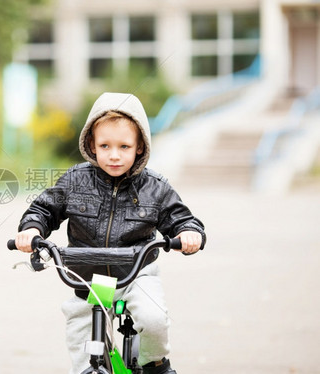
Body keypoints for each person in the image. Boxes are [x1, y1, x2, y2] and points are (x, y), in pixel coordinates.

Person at [13, 92, 206, 374]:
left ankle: (155, 363)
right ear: (91, 144)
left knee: (153, 319)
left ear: (140, 147)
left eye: (124, 146)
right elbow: (43, 209)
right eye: (105, 146)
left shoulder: (155, 187)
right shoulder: (75, 180)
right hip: (87, 278)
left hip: (136, 272)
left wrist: (189, 233)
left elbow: (182, 219)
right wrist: (31, 230)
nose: (114, 155)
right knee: (80, 336)